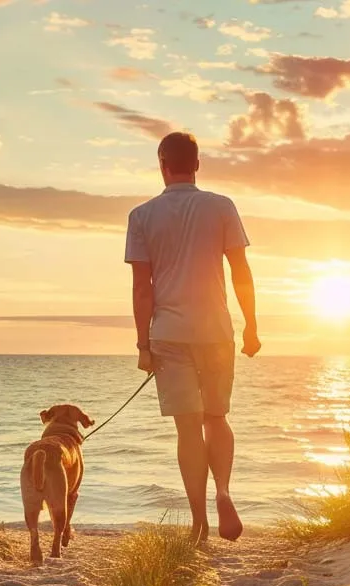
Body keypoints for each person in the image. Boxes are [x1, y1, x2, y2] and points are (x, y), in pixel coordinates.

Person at [124, 131, 260, 544]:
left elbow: (142, 287)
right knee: (216, 418)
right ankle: (223, 491)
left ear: (162, 165)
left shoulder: (142, 215)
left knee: (188, 430)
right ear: (197, 164)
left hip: (168, 333)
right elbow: (240, 270)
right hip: (216, 330)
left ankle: (199, 523)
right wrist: (252, 325)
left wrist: (142, 345)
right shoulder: (221, 207)